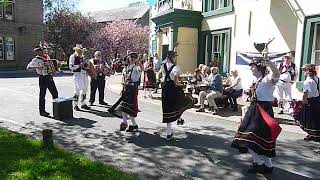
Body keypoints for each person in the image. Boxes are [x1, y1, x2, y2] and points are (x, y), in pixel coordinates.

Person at [231, 57, 281, 174]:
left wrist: (269, 63)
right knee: (252, 138)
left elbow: (277, 74)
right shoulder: (257, 80)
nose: (251, 69)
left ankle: (262, 164)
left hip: (264, 110)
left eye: (253, 66)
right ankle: (264, 165)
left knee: (255, 138)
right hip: (255, 109)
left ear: (259, 68)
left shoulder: (268, 79)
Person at [161, 51, 194, 140]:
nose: (175, 58)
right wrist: (181, 84)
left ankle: (169, 133)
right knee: (181, 102)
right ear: (173, 58)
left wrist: (173, 49)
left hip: (164, 88)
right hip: (173, 89)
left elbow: (165, 61)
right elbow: (176, 80)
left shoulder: (163, 66)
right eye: (174, 57)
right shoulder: (175, 68)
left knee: (168, 109)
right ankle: (178, 120)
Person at [27, 42, 59, 117]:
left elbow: (51, 66)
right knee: (42, 95)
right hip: (42, 78)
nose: (42, 51)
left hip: (49, 77)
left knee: (55, 94)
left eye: (43, 50)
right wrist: (37, 67)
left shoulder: (47, 57)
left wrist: (54, 69)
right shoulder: (35, 59)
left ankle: (57, 111)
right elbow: (28, 68)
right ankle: (42, 111)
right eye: (40, 50)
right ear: (37, 51)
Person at [115, 52, 143, 132]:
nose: (133, 58)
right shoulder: (125, 68)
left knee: (127, 108)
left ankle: (125, 123)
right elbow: (124, 79)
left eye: (134, 57)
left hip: (133, 89)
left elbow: (141, 69)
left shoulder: (136, 67)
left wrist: (139, 63)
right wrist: (122, 89)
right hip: (126, 88)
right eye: (131, 57)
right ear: (128, 58)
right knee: (124, 107)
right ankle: (132, 125)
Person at [299, 64, 320, 142]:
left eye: (305, 71)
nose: (304, 72)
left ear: (307, 72)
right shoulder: (317, 79)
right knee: (315, 118)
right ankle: (312, 134)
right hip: (317, 100)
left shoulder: (308, 81)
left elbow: (306, 93)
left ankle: (312, 134)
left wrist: (304, 100)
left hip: (310, 101)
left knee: (308, 119)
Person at [69, 44, 91, 111]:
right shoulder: (72, 56)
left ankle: (83, 104)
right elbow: (71, 67)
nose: (81, 51)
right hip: (77, 75)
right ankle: (75, 105)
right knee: (77, 90)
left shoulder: (83, 57)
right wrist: (79, 65)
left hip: (84, 74)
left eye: (81, 50)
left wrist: (87, 65)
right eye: (79, 50)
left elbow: (87, 66)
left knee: (85, 89)